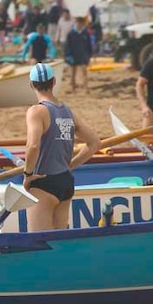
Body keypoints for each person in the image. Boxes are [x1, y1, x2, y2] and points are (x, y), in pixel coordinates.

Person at [22, 63, 100, 231]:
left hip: (43, 182)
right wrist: (70, 165)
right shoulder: (67, 111)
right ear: (54, 82)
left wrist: (27, 174)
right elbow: (94, 143)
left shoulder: (36, 111)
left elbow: (33, 146)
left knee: (39, 243)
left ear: (31, 84)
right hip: (65, 181)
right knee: (60, 243)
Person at [65, 17, 93, 93]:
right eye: (78, 23)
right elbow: (67, 45)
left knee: (84, 71)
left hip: (83, 55)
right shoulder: (71, 33)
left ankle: (86, 88)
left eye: (81, 23)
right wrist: (68, 55)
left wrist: (89, 55)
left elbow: (89, 45)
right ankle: (73, 88)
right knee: (73, 73)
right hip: (73, 55)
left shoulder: (86, 33)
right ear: (76, 23)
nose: (79, 24)